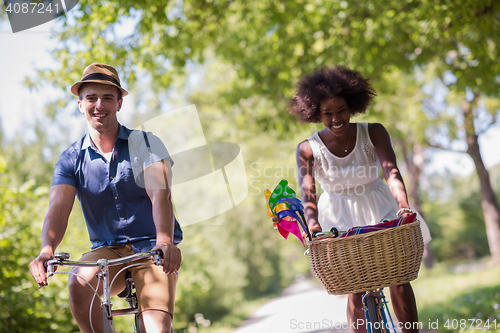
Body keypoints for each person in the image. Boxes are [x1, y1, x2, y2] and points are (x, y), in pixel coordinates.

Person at [29, 63, 183, 333]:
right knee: (78, 282)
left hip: (151, 248)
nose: (99, 105)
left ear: (120, 103)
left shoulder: (146, 144)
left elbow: (161, 196)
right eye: (91, 98)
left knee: (157, 328)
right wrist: (46, 250)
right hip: (107, 250)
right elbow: (58, 208)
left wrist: (165, 241)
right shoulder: (71, 158)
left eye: (108, 97)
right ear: (80, 104)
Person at [291, 66, 431, 333]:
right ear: (315, 114)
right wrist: (313, 226)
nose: (336, 118)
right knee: (355, 286)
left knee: (398, 278)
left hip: (379, 206)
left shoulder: (373, 132)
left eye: (342, 109)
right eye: (327, 113)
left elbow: (391, 172)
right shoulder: (308, 148)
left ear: (352, 106)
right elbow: (307, 192)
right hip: (337, 217)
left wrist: (403, 204)